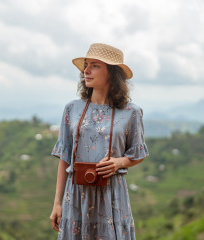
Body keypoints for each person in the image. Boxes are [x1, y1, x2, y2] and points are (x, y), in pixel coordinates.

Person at [50, 43, 149, 240]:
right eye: (86, 65)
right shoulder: (72, 109)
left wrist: (118, 162)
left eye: (95, 65)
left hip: (111, 194)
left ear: (111, 73)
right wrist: (57, 203)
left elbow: (138, 153)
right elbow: (65, 157)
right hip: (76, 194)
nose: (86, 70)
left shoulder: (131, 113)